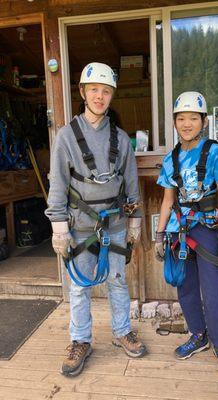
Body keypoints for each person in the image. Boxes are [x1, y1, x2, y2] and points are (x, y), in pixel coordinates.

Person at [45, 62, 147, 377]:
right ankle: (81, 340)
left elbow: (131, 183)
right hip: (79, 226)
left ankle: (121, 331)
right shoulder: (66, 137)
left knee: (117, 281)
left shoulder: (119, 137)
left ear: (111, 95)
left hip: (115, 224)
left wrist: (135, 222)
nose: (100, 97)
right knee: (78, 287)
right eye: (94, 90)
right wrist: (58, 228)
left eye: (105, 91)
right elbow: (58, 183)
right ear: (83, 92)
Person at [154, 91, 218, 375]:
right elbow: (167, 200)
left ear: (203, 121)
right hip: (178, 231)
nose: (186, 123)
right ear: (175, 123)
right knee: (185, 287)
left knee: (211, 288)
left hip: (205, 230)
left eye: (193, 118)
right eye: (181, 118)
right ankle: (198, 336)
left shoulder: (214, 152)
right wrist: (159, 233)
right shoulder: (171, 159)